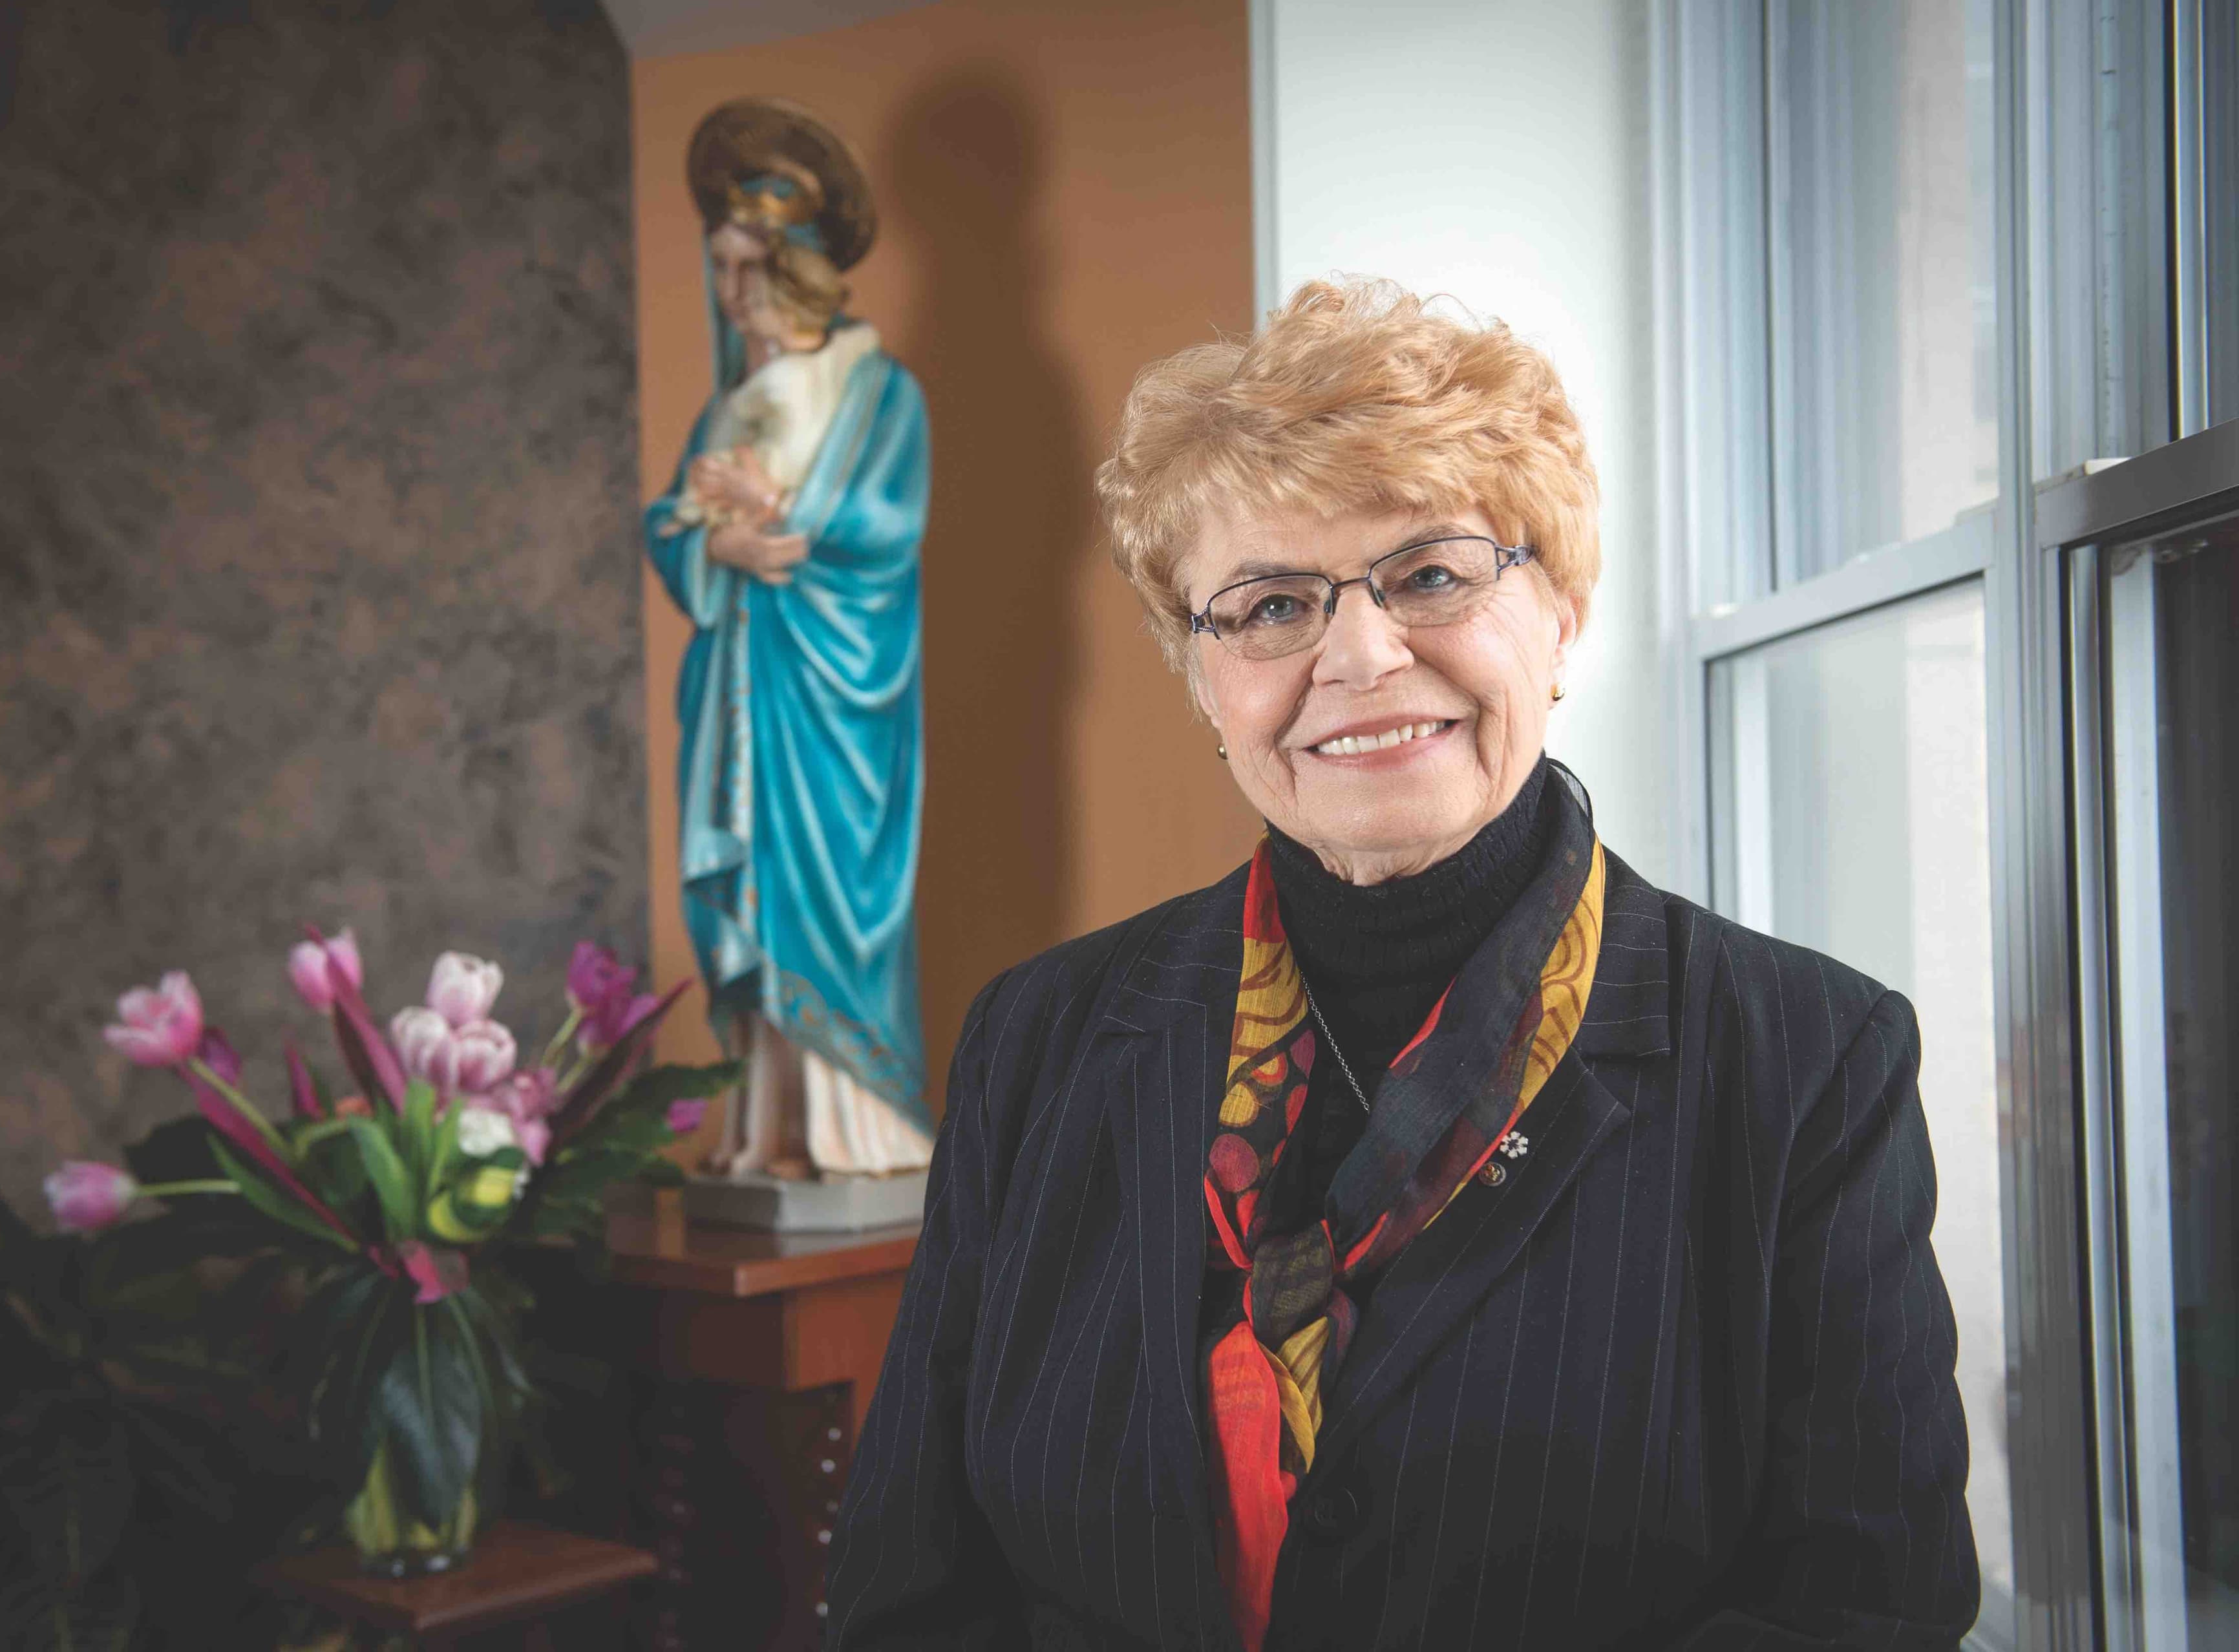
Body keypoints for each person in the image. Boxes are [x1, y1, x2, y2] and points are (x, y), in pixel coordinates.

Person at [824, 279, 1978, 1649]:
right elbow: (905, 1591)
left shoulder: (1809, 1056)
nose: (1362, 655)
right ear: (1203, 678)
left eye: (1431, 575)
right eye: (1270, 604)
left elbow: (1866, 1612)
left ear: (1563, 615)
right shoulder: (1036, 1037)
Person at [646, 98, 934, 1181]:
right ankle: (761, 1130)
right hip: (737, 685)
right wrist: (715, 544)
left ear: (797, 270)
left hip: (833, 690)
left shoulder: (876, 389)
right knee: (752, 898)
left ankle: (846, 1129)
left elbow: (890, 520)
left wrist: (781, 517)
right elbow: (670, 520)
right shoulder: (729, 403)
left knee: (823, 895)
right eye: (721, 270)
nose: (732, 294)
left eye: (750, 271)